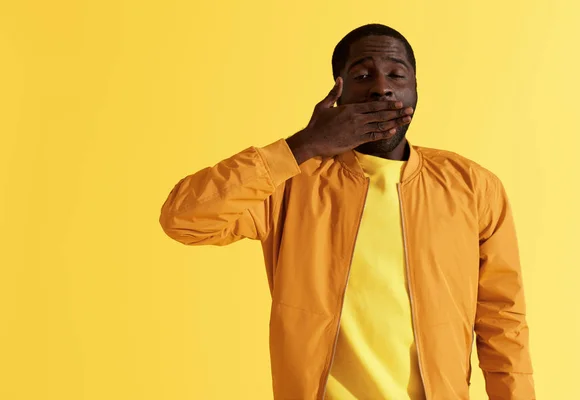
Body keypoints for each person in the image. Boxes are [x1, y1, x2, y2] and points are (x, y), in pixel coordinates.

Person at [159, 23, 535, 400]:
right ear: (338, 91)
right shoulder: (291, 181)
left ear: (415, 89)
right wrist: (301, 146)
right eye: (362, 74)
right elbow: (184, 217)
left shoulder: (470, 186)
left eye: (397, 74)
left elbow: (503, 321)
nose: (381, 87)